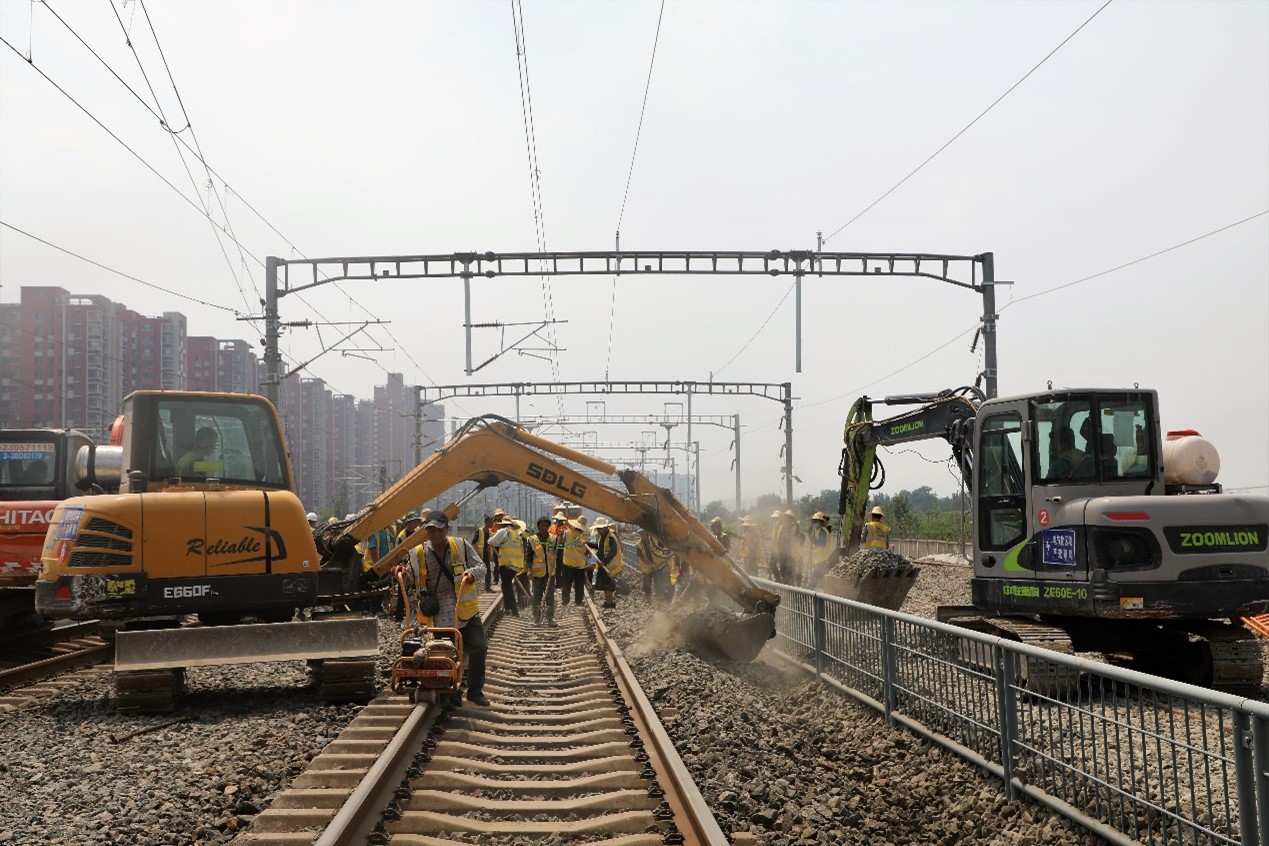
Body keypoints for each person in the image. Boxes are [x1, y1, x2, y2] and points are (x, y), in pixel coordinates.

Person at [402, 511, 490, 706]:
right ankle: (451, 692)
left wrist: (471, 573)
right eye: (431, 530)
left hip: (464, 610)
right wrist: (399, 573)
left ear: (446, 529)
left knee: (479, 647)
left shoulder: (461, 545)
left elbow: (481, 567)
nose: (436, 535)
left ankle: (475, 692)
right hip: (437, 614)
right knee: (445, 653)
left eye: (439, 530)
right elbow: (409, 578)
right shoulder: (418, 553)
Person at [488, 515, 530, 617]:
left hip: (506, 565)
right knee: (505, 586)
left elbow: (491, 541)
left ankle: (514, 611)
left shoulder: (504, 531)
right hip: (516, 565)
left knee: (507, 588)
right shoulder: (516, 534)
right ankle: (507, 608)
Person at [527, 516, 557, 627]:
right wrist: (528, 570)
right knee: (537, 597)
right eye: (542, 526)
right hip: (537, 574)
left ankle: (550, 619)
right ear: (538, 527)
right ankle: (537, 619)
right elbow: (528, 556)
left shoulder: (553, 539)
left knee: (550, 597)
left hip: (550, 574)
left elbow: (557, 552)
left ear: (549, 527)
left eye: (546, 526)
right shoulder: (532, 539)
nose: (544, 528)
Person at [558, 514, 590, 608]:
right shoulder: (585, 536)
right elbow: (587, 552)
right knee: (579, 584)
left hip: (568, 563)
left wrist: (560, 535)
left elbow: (560, 543)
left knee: (566, 583)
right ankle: (578, 601)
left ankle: (565, 601)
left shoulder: (567, 533)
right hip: (580, 564)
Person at [635, 530, 674, 607]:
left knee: (659, 585)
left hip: (659, 566)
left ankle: (659, 604)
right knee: (647, 586)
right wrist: (650, 564)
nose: (642, 535)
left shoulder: (655, 540)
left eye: (643, 532)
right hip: (646, 568)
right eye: (640, 533)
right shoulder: (638, 545)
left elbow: (664, 548)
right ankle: (649, 603)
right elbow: (642, 557)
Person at [591, 517, 623, 609]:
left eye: (600, 528)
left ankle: (610, 603)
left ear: (605, 528)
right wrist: (587, 544)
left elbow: (613, 552)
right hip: (604, 565)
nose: (599, 530)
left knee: (609, 586)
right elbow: (599, 547)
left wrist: (604, 562)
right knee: (605, 586)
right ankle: (609, 602)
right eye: (597, 529)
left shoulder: (611, 537)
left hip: (609, 566)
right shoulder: (603, 537)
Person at [805, 511, 836, 586]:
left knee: (812, 582)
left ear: (821, 522)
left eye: (817, 521)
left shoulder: (822, 531)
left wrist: (813, 540)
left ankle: (809, 595)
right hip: (821, 560)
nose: (815, 523)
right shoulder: (819, 530)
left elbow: (822, 543)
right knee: (823, 583)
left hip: (823, 560)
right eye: (814, 521)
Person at [472, 514, 497, 591]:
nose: (492, 524)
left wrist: (491, 554)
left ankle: (488, 587)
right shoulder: (479, 531)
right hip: (479, 554)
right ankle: (473, 588)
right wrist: (477, 553)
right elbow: (474, 542)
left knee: (488, 571)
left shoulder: (489, 533)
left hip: (486, 554)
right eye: (491, 522)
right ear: (486, 523)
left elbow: (490, 545)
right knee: (477, 571)